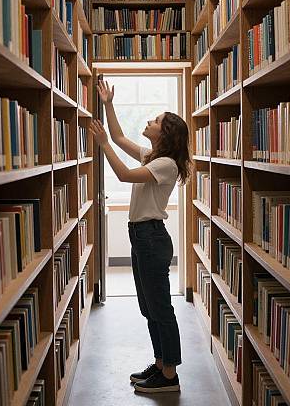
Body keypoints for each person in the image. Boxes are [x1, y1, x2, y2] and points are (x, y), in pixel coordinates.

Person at [89, 80, 192, 394]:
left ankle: (170, 375)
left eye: (156, 120)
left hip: (150, 238)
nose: (149, 121)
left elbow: (122, 174)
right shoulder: (152, 156)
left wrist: (103, 144)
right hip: (141, 237)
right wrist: (107, 104)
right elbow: (120, 136)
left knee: (160, 308)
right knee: (149, 308)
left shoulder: (165, 164)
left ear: (166, 133)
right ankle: (160, 364)